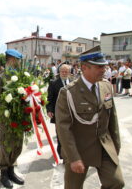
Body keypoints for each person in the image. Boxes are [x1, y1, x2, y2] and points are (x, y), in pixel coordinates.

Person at [55, 52, 124, 189]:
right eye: (99, 67)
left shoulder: (106, 86)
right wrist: (73, 158)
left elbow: (112, 118)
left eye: (104, 66)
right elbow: (63, 128)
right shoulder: (68, 92)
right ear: (85, 68)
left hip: (104, 145)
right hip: (79, 148)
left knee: (116, 182)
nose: (103, 70)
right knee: (73, 187)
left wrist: (116, 147)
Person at [0, 49, 25, 188]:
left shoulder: (21, 77)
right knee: (6, 146)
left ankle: (11, 170)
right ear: (11, 60)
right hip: (6, 119)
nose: (19, 63)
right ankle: (4, 173)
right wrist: (6, 109)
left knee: (18, 145)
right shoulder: (0, 79)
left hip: (20, 117)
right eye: (17, 60)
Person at [46, 64, 72, 159]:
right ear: (59, 72)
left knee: (70, 133)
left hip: (71, 113)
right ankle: (61, 153)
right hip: (59, 113)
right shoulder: (53, 83)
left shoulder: (73, 82)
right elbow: (49, 98)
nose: (64, 73)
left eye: (66, 71)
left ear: (69, 73)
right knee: (60, 133)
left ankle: (69, 151)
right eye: (62, 71)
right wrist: (49, 110)